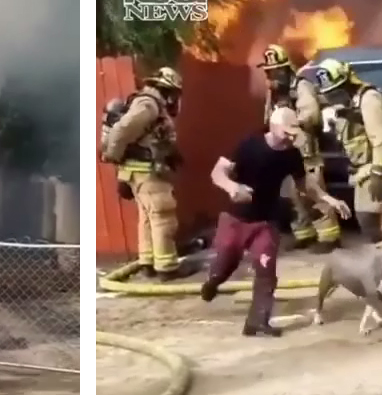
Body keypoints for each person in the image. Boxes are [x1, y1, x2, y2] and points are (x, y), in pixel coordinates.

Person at [201, 107, 352, 337]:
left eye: (294, 133)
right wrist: (233, 187)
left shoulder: (291, 154)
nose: (291, 138)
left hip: (266, 220)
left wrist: (330, 199)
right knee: (226, 260)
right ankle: (214, 280)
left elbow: (304, 184)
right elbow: (217, 172)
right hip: (236, 218)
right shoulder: (248, 145)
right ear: (273, 126)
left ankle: (258, 321)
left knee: (266, 269)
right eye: (287, 132)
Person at [101, 66, 192, 280]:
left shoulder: (150, 104)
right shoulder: (148, 105)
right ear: (166, 90)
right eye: (174, 93)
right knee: (163, 217)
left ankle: (148, 263)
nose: (174, 99)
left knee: (148, 218)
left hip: (141, 172)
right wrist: (112, 155)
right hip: (148, 172)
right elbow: (123, 129)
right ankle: (167, 268)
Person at [314, 58, 382, 249]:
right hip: (361, 173)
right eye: (329, 94)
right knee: (368, 223)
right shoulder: (351, 105)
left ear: (347, 83)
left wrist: (378, 174)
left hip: (377, 170)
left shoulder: (369, 99)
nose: (333, 98)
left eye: (336, 92)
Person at [258, 44, 341, 252]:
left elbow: (311, 115)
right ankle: (304, 234)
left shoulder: (301, 87)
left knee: (313, 194)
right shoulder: (274, 93)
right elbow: (268, 119)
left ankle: (329, 238)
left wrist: (290, 123)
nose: (270, 76)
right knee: (293, 197)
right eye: (268, 72)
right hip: (285, 153)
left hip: (305, 153)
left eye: (274, 71)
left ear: (285, 69)